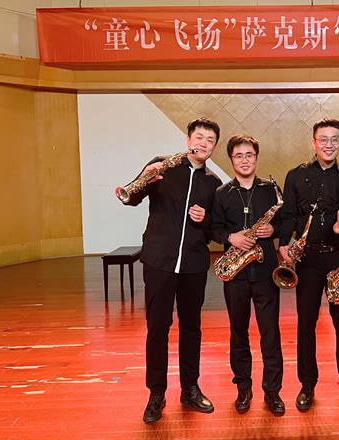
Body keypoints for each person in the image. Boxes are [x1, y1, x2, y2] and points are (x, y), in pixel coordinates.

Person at [117, 118, 222, 424]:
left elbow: (215, 231)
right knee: (157, 327)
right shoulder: (162, 165)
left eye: (210, 140)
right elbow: (131, 198)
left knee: (191, 328)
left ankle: (190, 389)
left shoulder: (214, 183)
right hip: (159, 261)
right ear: (188, 139)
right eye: (199, 137)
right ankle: (156, 393)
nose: (203, 143)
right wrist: (145, 178)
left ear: (214, 147)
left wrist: (204, 219)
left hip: (193, 264)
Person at [278, 118, 339, 411]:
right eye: (323, 139)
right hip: (306, 259)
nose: (329, 145)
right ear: (314, 142)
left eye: (334, 139)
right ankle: (307, 384)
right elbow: (289, 214)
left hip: (337, 256)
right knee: (306, 323)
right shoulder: (295, 175)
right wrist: (283, 243)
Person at [211, 134, 285, 416]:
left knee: (270, 334)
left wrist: (274, 230)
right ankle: (243, 387)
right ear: (231, 159)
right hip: (236, 275)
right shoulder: (222, 193)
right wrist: (230, 237)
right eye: (239, 155)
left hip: (265, 272)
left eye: (249, 155)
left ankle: (272, 391)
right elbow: (213, 228)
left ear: (256, 157)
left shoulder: (270, 190)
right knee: (238, 333)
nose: (244, 160)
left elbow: (285, 221)